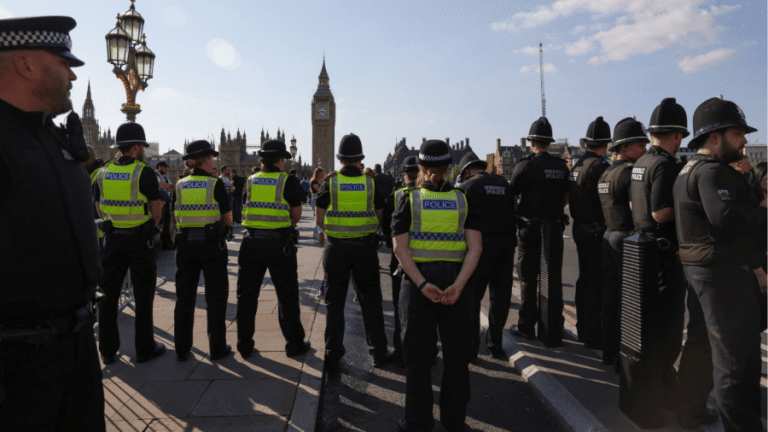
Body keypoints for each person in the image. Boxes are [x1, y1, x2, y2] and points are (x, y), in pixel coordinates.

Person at [0, 16, 105, 431]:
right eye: (64, 63)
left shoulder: (55, 138)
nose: (72, 74)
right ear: (26, 64)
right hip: (16, 361)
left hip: (75, 345)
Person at [674, 97, 762, 431]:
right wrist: (765, 210)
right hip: (721, 275)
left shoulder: (692, 169)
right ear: (714, 137)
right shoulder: (712, 172)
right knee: (735, 363)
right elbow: (725, 219)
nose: (744, 141)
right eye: (738, 133)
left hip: (707, 272)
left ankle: (690, 408)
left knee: (705, 348)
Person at [392, 139, 482, 432]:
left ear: (420, 167)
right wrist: (457, 286)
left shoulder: (409, 199)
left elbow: (399, 249)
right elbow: (475, 248)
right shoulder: (463, 199)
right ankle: (454, 422)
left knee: (417, 361)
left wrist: (421, 284)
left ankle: (417, 423)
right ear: (449, 167)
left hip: (418, 285)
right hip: (456, 283)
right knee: (456, 360)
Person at [629, 97, 705, 415]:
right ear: (676, 135)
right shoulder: (664, 165)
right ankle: (663, 393)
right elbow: (660, 213)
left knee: (649, 327)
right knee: (669, 331)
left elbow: (636, 207)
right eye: (681, 138)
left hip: (644, 253)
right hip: (664, 258)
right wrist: (692, 206)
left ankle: (655, 388)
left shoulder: (641, 163)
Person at [315, 133, 393, 370]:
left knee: (335, 304)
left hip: (336, 248)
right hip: (364, 249)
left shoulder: (330, 182)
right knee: (371, 303)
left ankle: (333, 353)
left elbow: (320, 219)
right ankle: (378, 353)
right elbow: (380, 218)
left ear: (339, 159)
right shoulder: (371, 183)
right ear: (360, 158)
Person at [94, 121, 165, 365]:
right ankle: (144, 349)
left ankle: (107, 350)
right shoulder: (142, 172)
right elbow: (156, 212)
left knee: (107, 297)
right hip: (139, 241)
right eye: (142, 146)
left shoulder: (103, 172)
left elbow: (98, 207)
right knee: (143, 297)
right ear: (135, 147)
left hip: (112, 240)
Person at [236, 140, 311, 358]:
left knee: (246, 296)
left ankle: (244, 344)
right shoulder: (287, 181)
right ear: (280, 161)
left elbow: (244, 208)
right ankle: (294, 344)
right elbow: (296, 215)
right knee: (287, 296)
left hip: (250, 243)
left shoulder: (250, 180)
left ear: (261, 160)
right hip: (279, 245)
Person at [173, 140, 233, 362]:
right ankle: (217, 348)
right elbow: (228, 216)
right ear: (207, 160)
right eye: (212, 159)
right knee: (215, 298)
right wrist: (226, 226)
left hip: (185, 244)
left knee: (184, 298)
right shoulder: (214, 184)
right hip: (210, 245)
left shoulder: (180, 184)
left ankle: (181, 349)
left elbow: (175, 213)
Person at [510, 117, 569, 339]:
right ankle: (552, 327)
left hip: (529, 227)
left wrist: (519, 214)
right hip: (553, 227)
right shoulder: (561, 167)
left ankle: (526, 326)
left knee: (528, 278)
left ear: (532, 142)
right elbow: (565, 198)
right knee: (552, 278)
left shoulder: (524, 165)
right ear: (549, 142)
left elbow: (513, 197)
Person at [456, 152, 516, 360]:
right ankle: (495, 344)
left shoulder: (467, 187)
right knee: (500, 297)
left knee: (472, 298)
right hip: (505, 247)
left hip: (478, 248)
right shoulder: (504, 184)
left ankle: (472, 347)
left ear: (467, 171)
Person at [597, 117, 647, 365]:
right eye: (640, 145)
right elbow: (636, 208)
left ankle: (608, 351)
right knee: (627, 301)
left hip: (608, 236)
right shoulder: (629, 173)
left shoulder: (607, 172)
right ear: (624, 148)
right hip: (626, 239)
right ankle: (622, 358)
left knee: (610, 297)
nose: (645, 150)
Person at [569, 117, 611, 348]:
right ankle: (595, 334)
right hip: (596, 229)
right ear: (605, 144)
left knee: (584, 280)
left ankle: (583, 328)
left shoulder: (577, 166)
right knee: (597, 283)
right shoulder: (600, 166)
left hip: (579, 228)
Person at [382, 155, 420, 367]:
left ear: (404, 175)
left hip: (400, 259)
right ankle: (428, 351)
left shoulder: (397, 195)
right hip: (428, 258)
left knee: (401, 307)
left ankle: (400, 352)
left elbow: (388, 225)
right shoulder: (432, 195)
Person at [155, 161, 175, 250]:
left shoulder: (164, 177)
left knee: (166, 224)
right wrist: (166, 186)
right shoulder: (155, 175)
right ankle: (162, 243)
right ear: (159, 166)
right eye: (164, 167)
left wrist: (166, 186)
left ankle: (167, 244)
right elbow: (165, 186)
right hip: (159, 203)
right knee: (161, 223)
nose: (166, 169)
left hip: (166, 202)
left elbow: (171, 186)